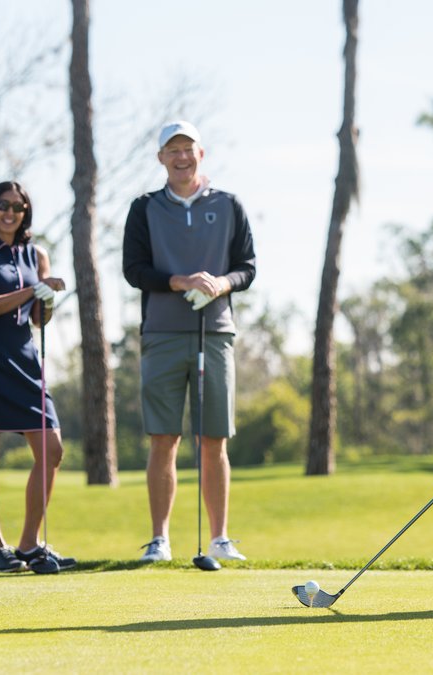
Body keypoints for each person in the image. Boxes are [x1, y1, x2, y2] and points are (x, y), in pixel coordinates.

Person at [122, 120, 257, 563]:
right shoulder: (144, 208)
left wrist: (221, 283)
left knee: (213, 438)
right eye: (171, 150)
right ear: (160, 158)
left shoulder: (230, 205)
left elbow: (247, 268)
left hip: (215, 331)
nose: (181, 157)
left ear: (203, 153)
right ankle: (159, 539)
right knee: (164, 438)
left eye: (188, 149)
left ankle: (219, 537)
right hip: (162, 332)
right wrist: (178, 280)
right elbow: (134, 270)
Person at [0, 181, 76, 574]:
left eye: (18, 207)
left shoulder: (35, 252)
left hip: (23, 356)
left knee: (51, 449)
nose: (10, 212)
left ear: (26, 212)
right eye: (2, 205)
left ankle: (29, 543)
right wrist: (30, 291)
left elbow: (39, 318)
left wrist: (47, 299)